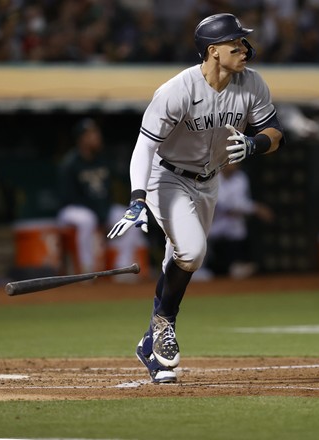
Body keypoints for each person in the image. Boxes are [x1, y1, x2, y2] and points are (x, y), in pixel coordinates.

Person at [107, 13, 285, 383]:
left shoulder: (251, 83)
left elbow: (276, 133)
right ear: (213, 51)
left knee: (183, 259)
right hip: (167, 177)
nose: (243, 47)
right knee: (191, 250)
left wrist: (254, 143)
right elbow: (144, 148)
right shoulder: (177, 90)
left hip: (209, 181)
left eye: (243, 40)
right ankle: (163, 323)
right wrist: (138, 199)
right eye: (234, 42)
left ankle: (150, 345)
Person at [57, 118, 147, 275]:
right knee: (87, 220)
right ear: (82, 139)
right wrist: (99, 213)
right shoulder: (70, 163)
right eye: (92, 134)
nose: (97, 137)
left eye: (96, 133)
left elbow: (113, 188)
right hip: (72, 210)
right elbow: (67, 198)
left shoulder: (103, 159)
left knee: (134, 218)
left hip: (100, 209)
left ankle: (123, 267)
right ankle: (86, 270)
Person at [202, 163, 274, 279]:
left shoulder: (241, 178)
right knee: (206, 251)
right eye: (232, 162)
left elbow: (241, 201)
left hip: (234, 226)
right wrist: (255, 208)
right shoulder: (214, 177)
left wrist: (242, 208)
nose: (235, 165)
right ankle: (214, 269)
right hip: (214, 224)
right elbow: (223, 204)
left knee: (238, 234)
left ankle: (234, 267)